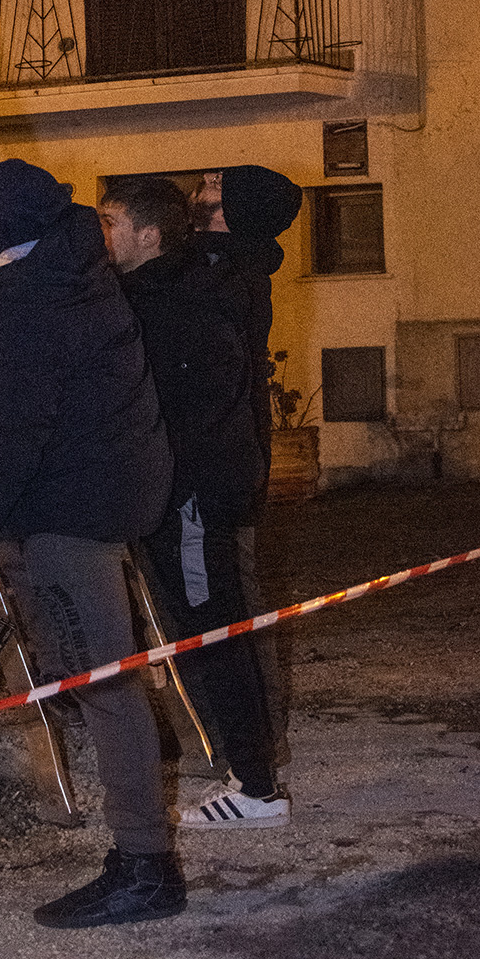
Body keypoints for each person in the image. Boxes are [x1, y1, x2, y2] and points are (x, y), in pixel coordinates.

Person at [0, 157, 185, 929]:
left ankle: (144, 867)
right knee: (108, 680)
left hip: (64, 521)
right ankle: (141, 858)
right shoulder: (80, 268)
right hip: (116, 497)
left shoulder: (17, 314)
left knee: (105, 689)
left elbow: (1, 448)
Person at [100, 176, 288, 826]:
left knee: (217, 631)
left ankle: (259, 789)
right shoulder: (185, 283)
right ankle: (249, 772)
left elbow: (198, 400)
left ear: (150, 236)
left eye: (110, 223)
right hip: (186, 493)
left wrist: (163, 471)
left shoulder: (190, 297)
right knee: (208, 630)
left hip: (191, 500)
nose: (101, 238)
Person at [194, 161, 304, 760]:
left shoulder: (228, 273)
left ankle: (256, 741)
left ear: (237, 212)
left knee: (232, 600)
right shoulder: (227, 265)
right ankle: (244, 734)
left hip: (222, 466)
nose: (198, 193)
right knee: (227, 597)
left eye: (213, 189)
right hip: (229, 461)